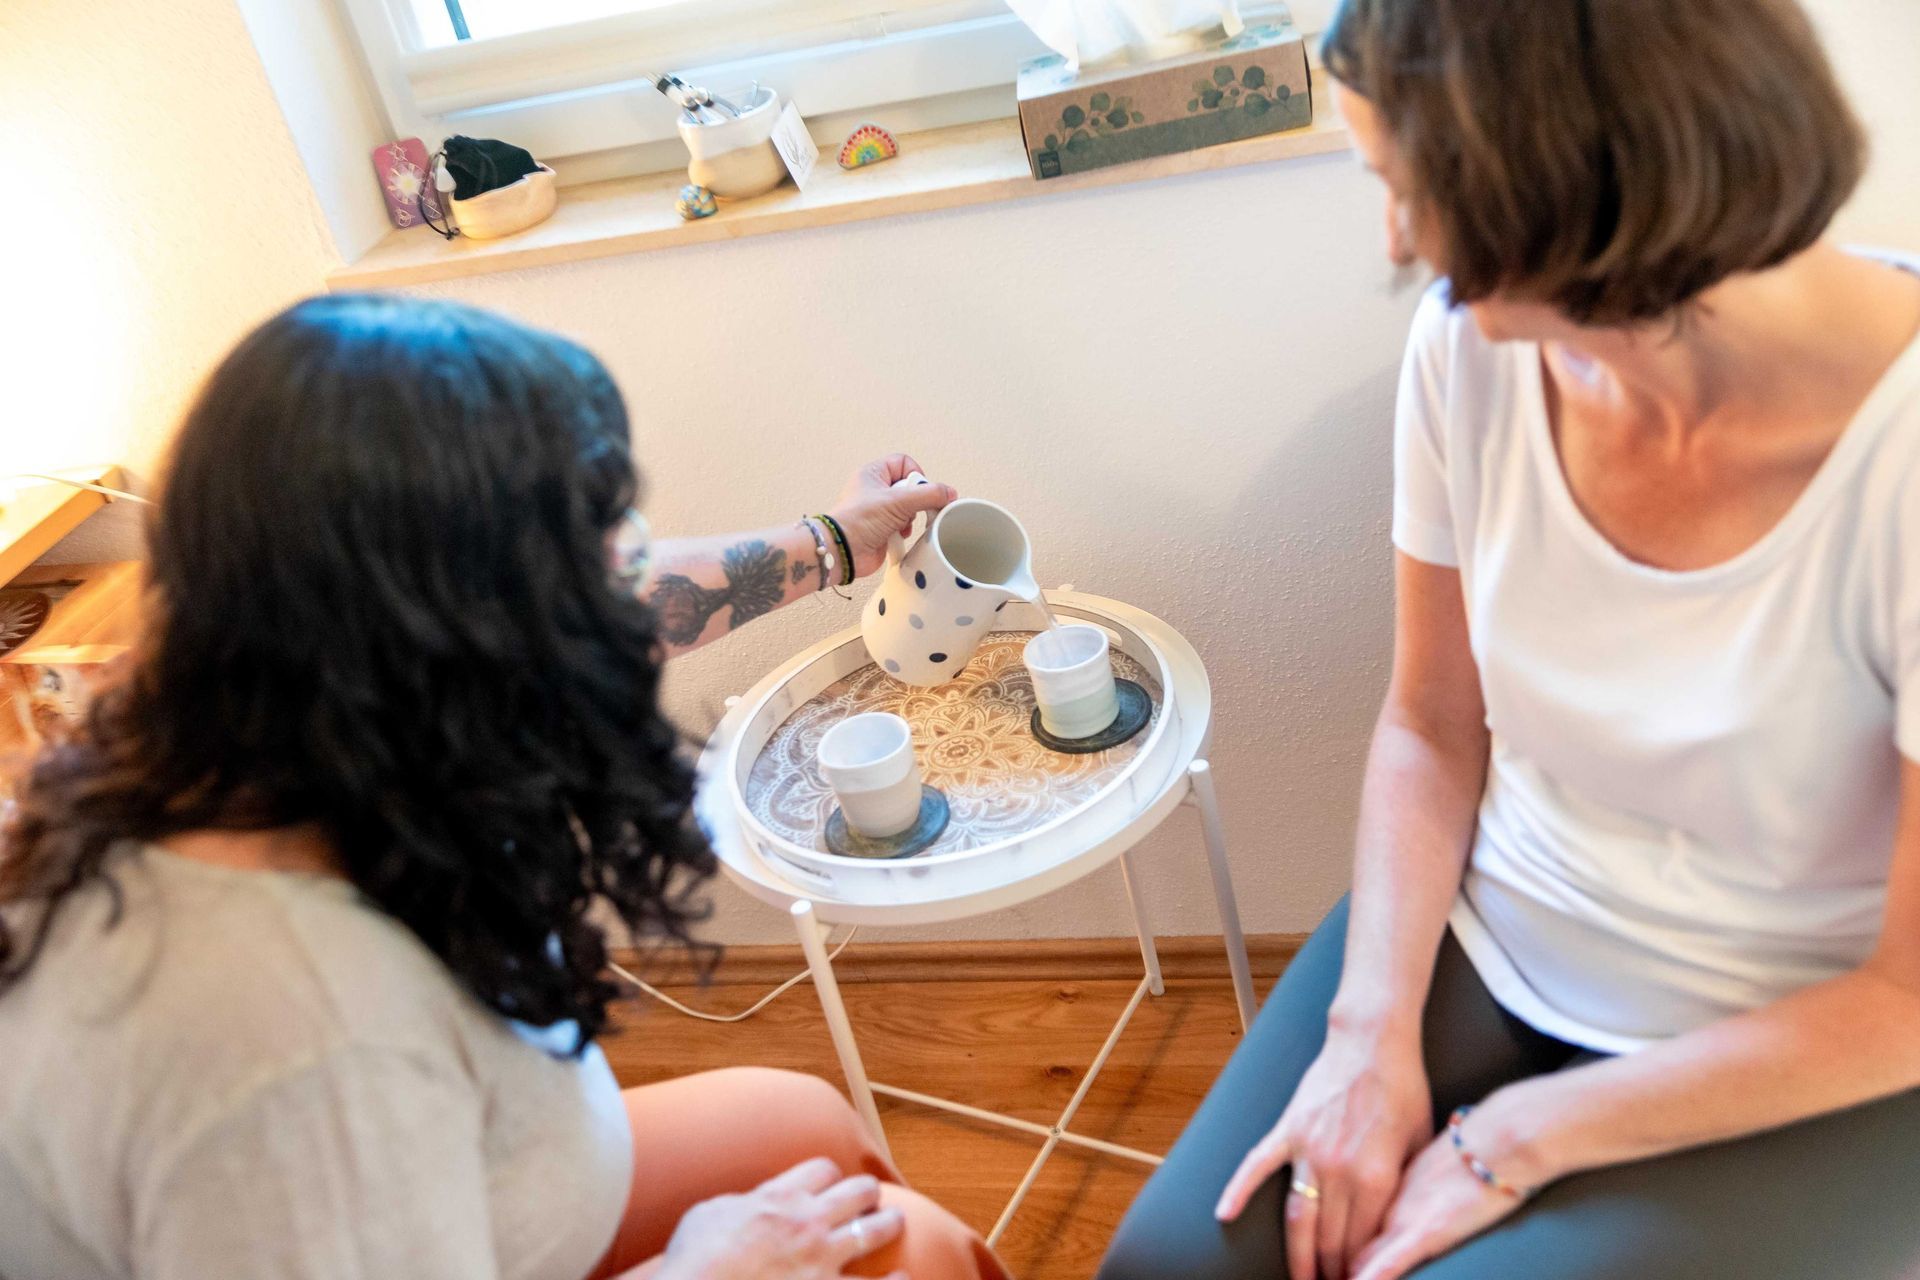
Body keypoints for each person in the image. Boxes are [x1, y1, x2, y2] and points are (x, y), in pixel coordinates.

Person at [1100, 1, 1920, 1278]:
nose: (1398, 242)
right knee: (1176, 1263)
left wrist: (1516, 1135)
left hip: (1804, 1024)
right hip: (1504, 927)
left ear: (1570, 186)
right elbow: (1431, 722)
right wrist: (1366, 1039)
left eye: (1410, 191)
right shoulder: (1469, 350)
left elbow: (1909, 997)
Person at [0, 293, 1007, 1280]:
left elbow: (617, 607)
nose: (624, 570)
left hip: (472, 1188)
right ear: (471, 632)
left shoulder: (244, 711)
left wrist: (838, 539)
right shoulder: (295, 1048)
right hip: (380, 1179)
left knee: (801, 1123)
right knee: (909, 1242)